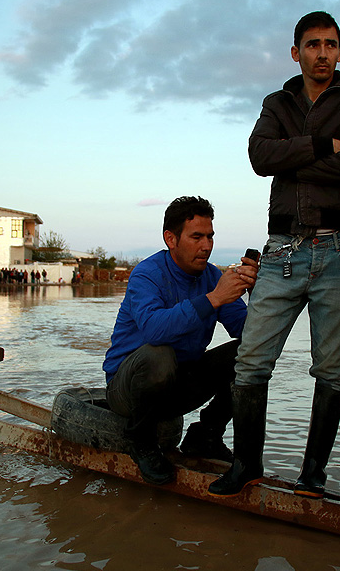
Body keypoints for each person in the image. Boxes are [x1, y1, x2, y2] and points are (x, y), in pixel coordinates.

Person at [208, 11, 340, 499]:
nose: (322, 53)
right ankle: (246, 466)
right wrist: (323, 145)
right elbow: (260, 157)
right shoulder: (276, 103)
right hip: (282, 248)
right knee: (250, 361)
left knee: (331, 369)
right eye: (312, 44)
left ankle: (313, 476)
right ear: (295, 52)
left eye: (330, 44)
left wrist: (292, 156)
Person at [103, 196, 258, 485]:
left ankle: (205, 435)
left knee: (252, 353)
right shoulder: (146, 275)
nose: (206, 246)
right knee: (159, 354)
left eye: (210, 236)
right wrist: (213, 299)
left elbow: (247, 331)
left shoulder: (212, 277)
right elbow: (154, 330)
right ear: (170, 239)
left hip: (178, 385)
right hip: (128, 390)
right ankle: (141, 440)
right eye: (196, 237)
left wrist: (258, 294)